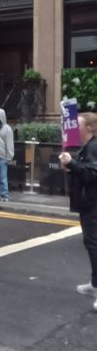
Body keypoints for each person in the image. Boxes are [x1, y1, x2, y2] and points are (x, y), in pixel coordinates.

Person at [59, 112, 97, 310]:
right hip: (88, 203)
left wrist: (72, 163)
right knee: (91, 243)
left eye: (79, 125)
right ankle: (94, 284)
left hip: (92, 203)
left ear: (89, 128)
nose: (75, 129)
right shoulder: (88, 147)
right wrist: (71, 165)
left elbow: (93, 173)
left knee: (94, 245)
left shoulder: (94, 146)